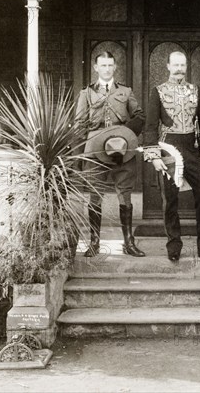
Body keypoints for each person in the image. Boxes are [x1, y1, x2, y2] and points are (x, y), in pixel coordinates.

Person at [143, 51, 200, 263]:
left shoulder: (195, 90)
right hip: (169, 149)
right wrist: (154, 155)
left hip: (192, 148)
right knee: (170, 200)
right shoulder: (158, 91)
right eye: (175, 65)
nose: (179, 69)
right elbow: (150, 126)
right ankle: (174, 246)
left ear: (186, 67)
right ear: (168, 66)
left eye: (182, 65)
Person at [76, 51, 146, 258]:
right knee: (95, 195)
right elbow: (80, 124)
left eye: (110, 65)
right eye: (102, 66)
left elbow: (139, 115)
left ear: (115, 67)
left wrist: (127, 135)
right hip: (95, 149)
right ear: (95, 68)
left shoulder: (125, 91)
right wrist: (80, 156)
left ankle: (128, 242)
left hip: (122, 148)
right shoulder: (86, 94)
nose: (107, 69)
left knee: (125, 194)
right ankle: (95, 243)